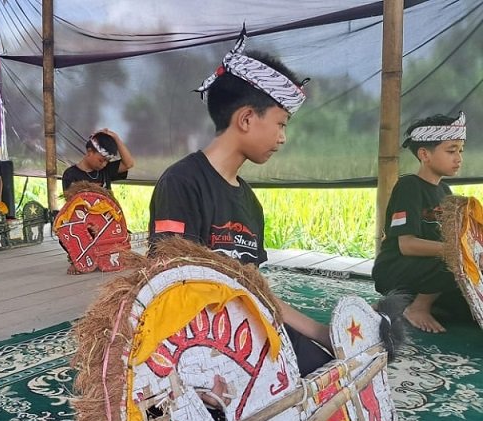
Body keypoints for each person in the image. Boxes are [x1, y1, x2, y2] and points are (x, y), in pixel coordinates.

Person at [148, 29, 332, 378]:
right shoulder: (181, 183)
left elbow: (254, 289)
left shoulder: (249, 202)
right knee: (294, 378)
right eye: (280, 123)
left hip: (244, 328)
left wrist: (323, 334)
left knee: (324, 367)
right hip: (196, 342)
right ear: (247, 119)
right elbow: (168, 286)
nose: (283, 137)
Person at [372, 112, 466, 333]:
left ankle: (402, 304)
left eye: (460, 150)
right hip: (396, 269)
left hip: (429, 271)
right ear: (424, 154)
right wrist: (457, 250)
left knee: (464, 308)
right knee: (457, 256)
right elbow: (407, 245)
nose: (459, 158)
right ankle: (418, 307)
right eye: (451, 151)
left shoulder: (445, 191)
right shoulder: (409, 186)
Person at [61, 129, 135, 192]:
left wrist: (116, 138)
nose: (104, 164)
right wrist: (90, 188)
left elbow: (128, 164)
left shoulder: (106, 170)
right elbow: (70, 201)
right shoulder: (70, 174)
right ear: (90, 152)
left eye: (107, 161)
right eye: (101, 160)